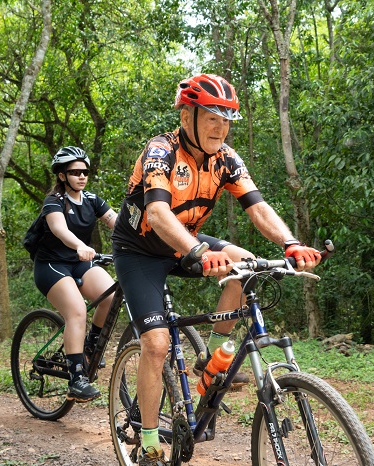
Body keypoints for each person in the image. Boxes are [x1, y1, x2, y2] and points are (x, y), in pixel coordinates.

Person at [111, 73, 321, 465]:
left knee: (244, 264)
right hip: (139, 249)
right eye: (211, 117)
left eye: (226, 120)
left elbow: (257, 207)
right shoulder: (161, 151)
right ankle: (151, 441)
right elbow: (156, 213)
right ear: (187, 115)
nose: (220, 128)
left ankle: (211, 361)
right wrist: (197, 250)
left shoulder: (226, 157)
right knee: (156, 345)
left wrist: (290, 243)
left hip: (185, 241)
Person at [33, 146, 117, 403]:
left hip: (78, 262)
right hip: (51, 265)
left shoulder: (92, 200)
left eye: (85, 171)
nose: (81, 176)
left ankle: (90, 346)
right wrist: (80, 245)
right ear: (62, 175)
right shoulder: (54, 202)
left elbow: (117, 221)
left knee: (110, 296)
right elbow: (59, 229)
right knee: (78, 310)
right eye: (74, 172)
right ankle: (76, 379)